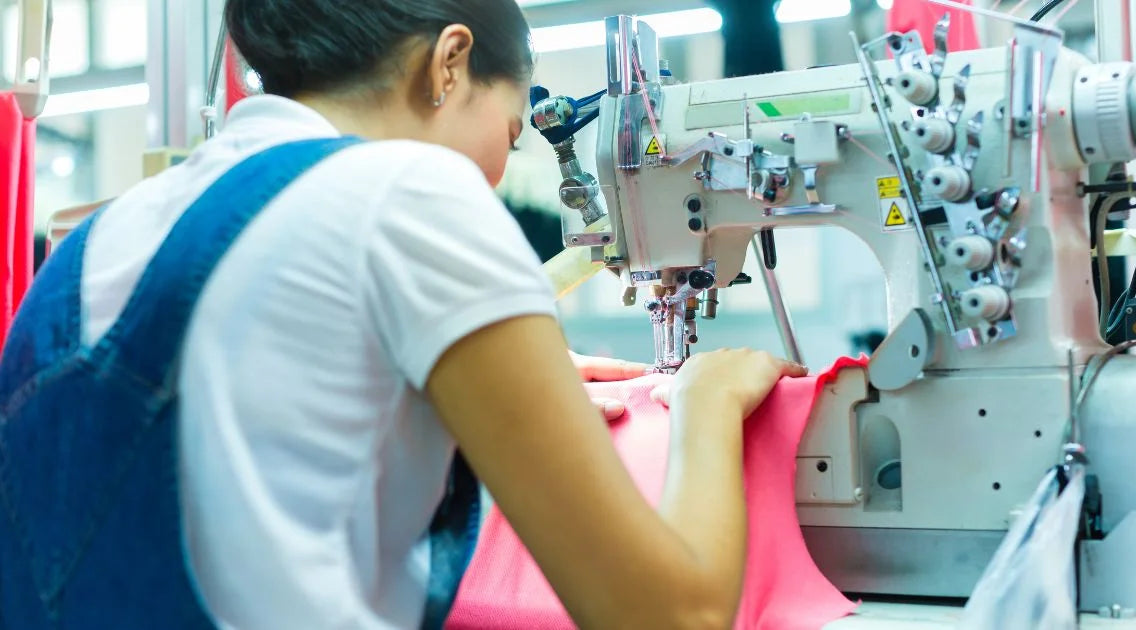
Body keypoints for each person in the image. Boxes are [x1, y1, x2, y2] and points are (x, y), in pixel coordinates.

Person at [0, 1, 805, 628]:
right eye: (512, 131)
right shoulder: (412, 194)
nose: (499, 172)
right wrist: (708, 401)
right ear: (449, 62)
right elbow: (670, 617)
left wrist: (454, 386)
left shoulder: (103, 235)